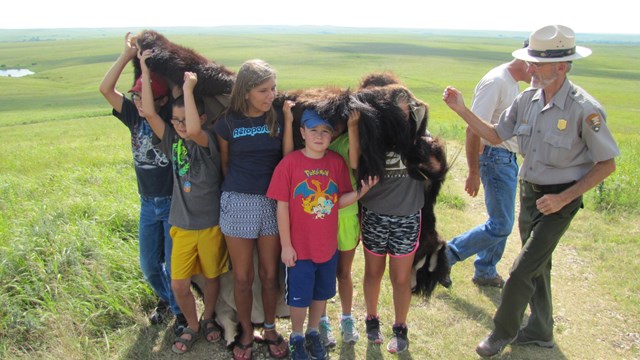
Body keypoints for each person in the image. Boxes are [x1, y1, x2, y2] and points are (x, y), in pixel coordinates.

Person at [443, 24, 620, 357]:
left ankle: (501, 332)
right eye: (531, 61)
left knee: (522, 269)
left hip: (561, 200)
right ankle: (540, 329)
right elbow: (495, 136)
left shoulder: (585, 109)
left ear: (562, 66)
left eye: (538, 63)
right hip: (530, 194)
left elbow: (606, 164)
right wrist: (462, 110)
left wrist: (564, 198)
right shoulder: (526, 100)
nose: (532, 69)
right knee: (540, 265)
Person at [267, 109, 377, 360]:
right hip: (299, 247)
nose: (319, 136)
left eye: (325, 131)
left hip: (327, 247)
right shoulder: (290, 164)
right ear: (302, 133)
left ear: (331, 136)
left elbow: (338, 201)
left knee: (321, 293)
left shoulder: (336, 163)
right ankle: (296, 336)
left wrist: (361, 193)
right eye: (313, 130)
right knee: (299, 296)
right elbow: (282, 206)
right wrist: (286, 245)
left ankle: (313, 332)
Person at [140, 49, 229, 355]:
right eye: (175, 119)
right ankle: (191, 324)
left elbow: (193, 129)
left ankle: (208, 318)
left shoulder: (208, 143)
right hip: (182, 226)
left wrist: (188, 90)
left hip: (210, 226)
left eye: (184, 118)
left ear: (202, 118)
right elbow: (150, 114)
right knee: (179, 284)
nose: (179, 125)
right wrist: (143, 66)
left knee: (212, 278)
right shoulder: (171, 142)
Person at [98, 32, 185, 333]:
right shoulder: (133, 116)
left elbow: (151, 109)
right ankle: (169, 301)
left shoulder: (168, 122)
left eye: (142, 95)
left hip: (173, 202)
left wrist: (147, 70)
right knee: (150, 267)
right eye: (134, 95)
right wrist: (126, 56)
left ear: (160, 100)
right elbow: (105, 88)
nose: (136, 100)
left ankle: (180, 312)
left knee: (175, 268)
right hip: (148, 203)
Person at [212, 59, 292, 360]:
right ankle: (246, 330)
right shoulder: (226, 123)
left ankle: (270, 327)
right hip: (236, 202)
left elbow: (286, 160)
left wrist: (287, 117)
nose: (271, 94)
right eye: (263, 90)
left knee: (270, 274)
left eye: (273, 88)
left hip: (272, 203)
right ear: (245, 91)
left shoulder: (276, 118)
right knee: (243, 277)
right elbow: (225, 164)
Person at [445, 55, 532, 288]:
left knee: (501, 220)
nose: (537, 75)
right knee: (502, 224)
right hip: (495, 158)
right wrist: (473, 172)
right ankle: (445, 255)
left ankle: (485, 270)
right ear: (525, 61)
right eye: (536, 67)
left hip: (506, 159)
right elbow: (472, 128)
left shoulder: (511, 83)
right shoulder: (497, 82)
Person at [317, 111, 363, 347]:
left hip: (346, 214)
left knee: (344, 272)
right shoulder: (316, 139)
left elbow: (355, 163)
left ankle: (347, 318)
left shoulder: (347, 140)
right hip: (319, 215)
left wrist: (353, 128)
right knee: (323, 272)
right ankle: (321, 321)